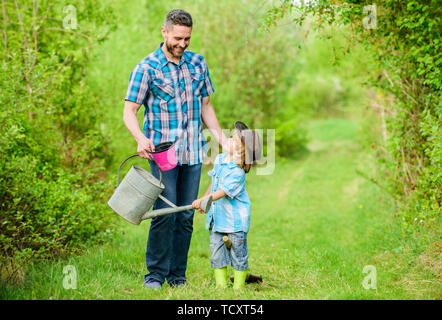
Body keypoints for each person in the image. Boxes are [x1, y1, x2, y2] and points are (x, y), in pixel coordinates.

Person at [123, 9, 228, 289]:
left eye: (187, 39)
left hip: (194, 151)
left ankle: (177, 277)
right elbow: (129, 111)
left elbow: (206, 106)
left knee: (185, 214)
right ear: (165, 32)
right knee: (165, 213)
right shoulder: (146, 67)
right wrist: (140, 138)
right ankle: (155, 275)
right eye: (178, 38)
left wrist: (222, 139)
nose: (182, 44)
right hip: (163, 153)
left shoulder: (198, 63)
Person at [192, 121, 262, 290]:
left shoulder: (237, 172)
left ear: (242, 149)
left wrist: (208, 199)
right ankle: (221, 286)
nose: (227, 140)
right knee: (217, 253)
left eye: (233, 139)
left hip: (235, 222)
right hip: (217, 219)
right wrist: (204, 200)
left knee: (238, 254)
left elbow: (222, 191)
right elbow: (214, 183)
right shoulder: (220, 159)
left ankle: (238, 287)